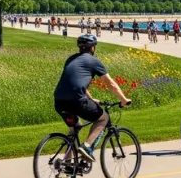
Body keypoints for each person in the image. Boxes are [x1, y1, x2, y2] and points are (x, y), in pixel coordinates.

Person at [53, 34, 131, 162]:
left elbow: (77, 83)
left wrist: (91, 99)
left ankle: (66, 162)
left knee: (75, 127)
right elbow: (110, 83)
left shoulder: (71, 59)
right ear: (93, 48)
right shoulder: (93, 61)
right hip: (76, 101)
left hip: (59, 101)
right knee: (103, 118)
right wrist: (123, 99)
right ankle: (87, 146)